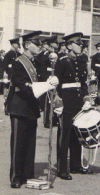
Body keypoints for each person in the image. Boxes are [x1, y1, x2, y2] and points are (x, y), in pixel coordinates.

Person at [7, 31, 58, 188]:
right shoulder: (18, 63)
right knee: (18, 143)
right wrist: (45, 86)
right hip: (19, 106)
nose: (40, 47)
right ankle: (16, 177)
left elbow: (41, 81)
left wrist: (50, 81)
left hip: (31, 107)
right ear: (28, 45)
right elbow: (23, 85)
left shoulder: (35, 63)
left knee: (30, 143)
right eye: (37, 44)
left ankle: (28, 174)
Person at [55, 32, 92, 180]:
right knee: (64, 136)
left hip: (77, 103)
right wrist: (58, 102)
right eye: (78, 43)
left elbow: (83, 84)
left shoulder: (81, 61)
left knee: (77, 134)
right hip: (66, 103)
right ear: (69, 45)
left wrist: (86, 98)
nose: (81, 45)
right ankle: (62, 168)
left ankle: (76, 165)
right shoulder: (62, 62)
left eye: (81, 43)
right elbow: (56, 85)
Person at [37, 36, 59, 128]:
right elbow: (42, 69)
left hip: (54, 79)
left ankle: (53, 120)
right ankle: (47, 121)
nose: (56, 44)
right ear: (51, 44)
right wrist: (47, 79)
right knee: (47, 101)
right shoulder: (46, 55)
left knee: (54, 101)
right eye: (55, 43)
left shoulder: (56, 54)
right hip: (47, 79)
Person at [3, 38, 22, 115]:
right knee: (10, 93)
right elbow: (5, 65)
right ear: (13, 45)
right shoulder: (9, 54)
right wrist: (7, 75)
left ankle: (14, 108)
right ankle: (7, 108)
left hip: (17, 76)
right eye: (17, 44)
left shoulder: (19, 54)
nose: (18, 46)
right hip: (11, 76)